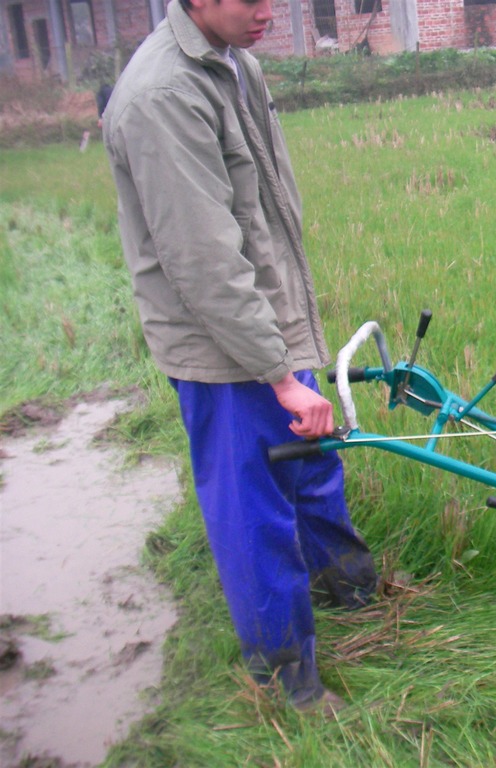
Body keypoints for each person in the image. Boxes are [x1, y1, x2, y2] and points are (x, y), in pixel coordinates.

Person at [102, 0, 378, 712]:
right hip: (222, 349)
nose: (269, 11)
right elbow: (204, 263)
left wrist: (287, 350)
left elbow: (262, 215)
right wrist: (278, 376)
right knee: (254, 508)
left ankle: (348, 587)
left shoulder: (237, 64)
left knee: (314, 466)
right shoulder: (162, 96)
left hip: (269, 324)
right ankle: (286, 673)